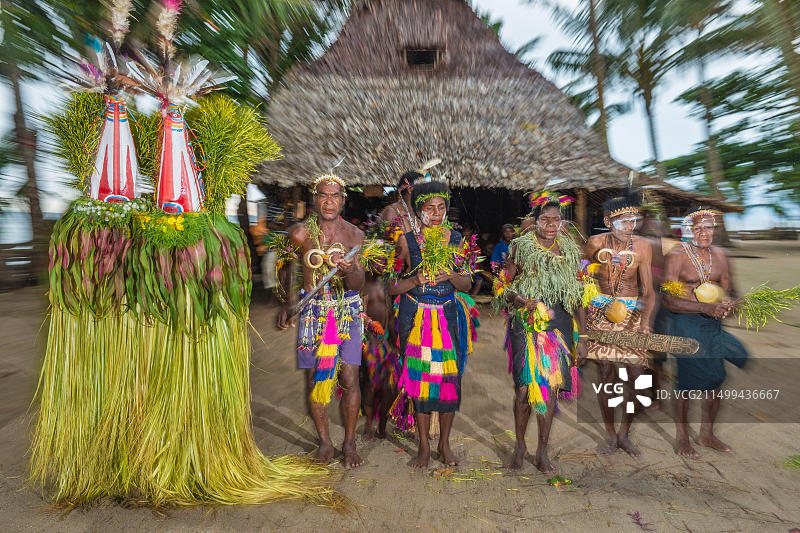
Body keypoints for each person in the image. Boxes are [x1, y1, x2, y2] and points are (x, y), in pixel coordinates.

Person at [277, 173, 366, 469]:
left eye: (335, 196)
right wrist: (288, 304)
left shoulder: (355, 236)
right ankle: (325, 442)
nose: (329, 201)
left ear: (343, 200)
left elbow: (357, 284)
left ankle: (350, 443)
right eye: (324, 196)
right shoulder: (300, 234)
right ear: (315, 199)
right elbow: (287, 269)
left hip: (347, 311)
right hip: (313, 311)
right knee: (316, 379)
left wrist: (349, 269)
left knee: (350, 378)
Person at [497, 193, 587, 473]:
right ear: (534, 222)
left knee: (549, 389)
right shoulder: (519, 248)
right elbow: (502, 288)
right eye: (545, 219)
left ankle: (542, 451)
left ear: (562, 222)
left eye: (556, 219)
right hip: (524, 324)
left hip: (559, 325)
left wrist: (582, 338)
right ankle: (520, 446)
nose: (551, 224)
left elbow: (579, 296)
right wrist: (521, 300)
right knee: (524, 388)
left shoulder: (571, 251)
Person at [389, 178, 475, 468]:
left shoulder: (456, 240)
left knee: (448, 380)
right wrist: (415, 279)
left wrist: (449, 275)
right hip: (414, 317)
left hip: (447, 316)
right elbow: (391, 287)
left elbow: (466, 283)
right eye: (430, 208)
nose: (436, 213)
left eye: (441, 208)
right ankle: (424, 446)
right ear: (418, 210)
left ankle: (444, 444)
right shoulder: (406, 242)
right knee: (421, 382)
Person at [659, 207, 747, 457]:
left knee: (715, 380)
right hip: (684, 322)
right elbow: (668, 300)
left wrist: (731, 304)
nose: (703, 232)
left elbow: (733, 292)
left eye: (708, 227)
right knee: (687, 383)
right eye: (697, 228)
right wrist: (704, 308)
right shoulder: (678, 255)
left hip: (712, 324)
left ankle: (707, 434)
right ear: (689, 231)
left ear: (714, 229)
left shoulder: (721, 254)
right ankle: (683, 438)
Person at [584, 192, 654, 456]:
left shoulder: (643, 246)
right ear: (607, 220)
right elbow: (584, 277)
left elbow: (649, 291)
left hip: (632, 315)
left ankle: (625, 432)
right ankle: (611, 434)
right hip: (601, 312)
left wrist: (645, 322)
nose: (629, 226)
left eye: (633, 220)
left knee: (636, 377)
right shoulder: (595, 242)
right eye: (622, 221)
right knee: (605, 375)